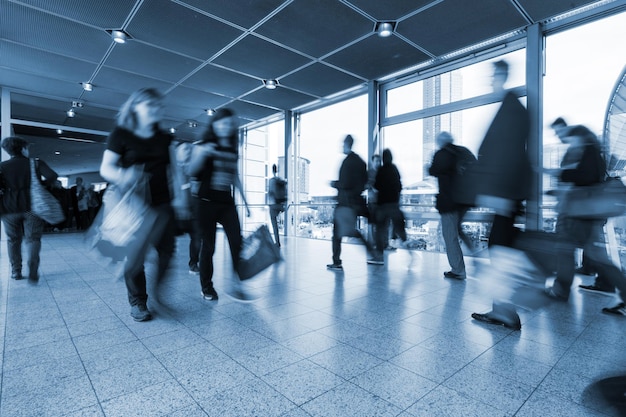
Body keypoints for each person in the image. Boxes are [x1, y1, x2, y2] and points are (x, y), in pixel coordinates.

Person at [99, 88, 176, 322]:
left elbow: (174, 169)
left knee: (167, 251)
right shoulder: (121, 134)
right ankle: (138, 302)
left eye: (159, 105)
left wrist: (181, 197)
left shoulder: (165, 137)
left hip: (162, 202)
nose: (156, 110)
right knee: (134, 256)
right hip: (133, 204)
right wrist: (125, 175)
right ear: (135, 107)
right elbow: (106, 168)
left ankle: (158, 293)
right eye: (150, 105)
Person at [470, 60, 532, 330]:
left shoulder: (512, 110)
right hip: (507, 194)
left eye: (493, 74)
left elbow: (510, 154)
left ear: (503, 74)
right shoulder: (511, 108)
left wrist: (501, 195)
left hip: (506, 194)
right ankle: (503, 309)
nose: (490, 79)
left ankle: (506, 310)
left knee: (500, 247)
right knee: (501, 247)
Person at [544, 125, 626, 315]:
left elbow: (584, 178)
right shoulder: (595, 153)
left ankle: (561, 290)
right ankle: (562, 289)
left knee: (566, 250)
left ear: (580, 137)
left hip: (579, 214)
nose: (568, 142)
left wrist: (560, 173)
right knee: (595, 256)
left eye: (572, 138)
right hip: (587, 214)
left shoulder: (588, 151)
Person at [188, 108, 251, 301]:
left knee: (236, 243)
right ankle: (207, 287)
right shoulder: (205, 145)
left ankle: (237, 285)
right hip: (205, 202)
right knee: (209, 247)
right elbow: (191, 171)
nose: (226, 127)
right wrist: (202, 153)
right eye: (222, 123)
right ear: (214, 125)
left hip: (226, 202)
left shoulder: (232, 148)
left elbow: (235, 177)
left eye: (229, 124)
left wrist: (246, 203)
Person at [0, 136, 59, 282]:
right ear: (23, 148)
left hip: (9, 208)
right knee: (33, 239)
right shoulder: (35, 163)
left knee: (13, 240)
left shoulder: (2, 166)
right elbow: (52, 175)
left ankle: (16, 271)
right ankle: (33, 266)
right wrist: (41, 184)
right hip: (32, 206)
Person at [428, 132, 474, 279]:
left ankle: (458, 270)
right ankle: (475, 252)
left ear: (441, 142)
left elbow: (433, 170)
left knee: (449, 235)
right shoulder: (463, 151)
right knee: (457, 229)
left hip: (449, 202)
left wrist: (427, 167)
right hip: (464, 201)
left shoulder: (442, 154)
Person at [326, 134, 374, 271]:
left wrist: (333, 183)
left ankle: (337, 261)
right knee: (351, 231)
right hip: (355, 202)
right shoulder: (361, 162)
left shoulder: (347, 162)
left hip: (344, 203)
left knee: (337, 233)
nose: (342, 146)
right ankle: (370, 249)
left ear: (347, 144)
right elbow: (365, 182)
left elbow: (344, 183)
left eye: (343, 144)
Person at [173, 141, 201, 274]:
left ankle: (193, 263)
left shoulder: (195, 168)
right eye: (185, 149)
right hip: (176, 209)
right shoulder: (173, 169)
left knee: (196, 237)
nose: (189, 151)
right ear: (177, 152)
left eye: (190, 149)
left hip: (194, 209)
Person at [267, 163, 286, 247]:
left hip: (273, 204)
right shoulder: (280, 180)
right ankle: (278, 241)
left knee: (274, 224)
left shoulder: (271, 181)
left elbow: (270, 192)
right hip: (280, 205)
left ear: (272, 170)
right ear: (277, 170)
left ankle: (277, 242)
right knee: (277, 223)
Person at [366, 154, 381, 248]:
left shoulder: (383, 172)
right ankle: (374, 243)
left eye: (379, 161)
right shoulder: (369, 173)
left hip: (381, 202)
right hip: (372, 201)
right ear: (372, 162)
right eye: (376, 161)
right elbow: (365, 185)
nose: (378, 163)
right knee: (372, 223)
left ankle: (382, 243)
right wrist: (372, 186)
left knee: (382, 224)